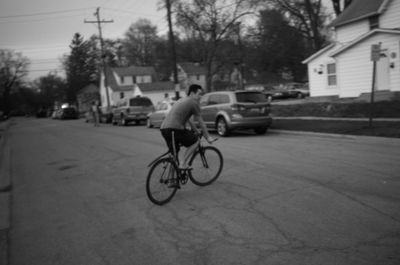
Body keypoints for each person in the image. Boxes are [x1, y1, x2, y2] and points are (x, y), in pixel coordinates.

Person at [160, 84, 215, 173]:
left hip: (164, 129)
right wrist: (207, 137)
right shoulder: (193, 102)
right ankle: (182, 164)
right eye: (199, 94)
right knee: (196, 141)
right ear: (192, 93)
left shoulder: (181, 100)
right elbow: (201, 122)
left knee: (174, 154)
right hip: (175, 129)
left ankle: (171, 181)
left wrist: (196, 130)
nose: (201, 97)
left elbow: (189, 120)